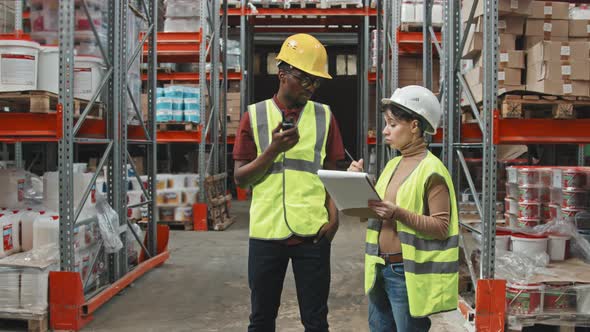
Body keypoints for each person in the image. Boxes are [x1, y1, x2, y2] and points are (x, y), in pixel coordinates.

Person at [233, 33, 345, 332]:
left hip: (314, 233)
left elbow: (331, 171)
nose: (312, 88)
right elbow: (241, 180)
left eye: (316, 82)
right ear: (283, 74)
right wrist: (272, 151)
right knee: (261, 320)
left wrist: (334, 218)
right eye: (306, 80)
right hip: (267, 233)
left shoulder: (324, 116)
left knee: (316, 321)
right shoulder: (254, 116)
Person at [348, 86, 459, 332]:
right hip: (379, 267)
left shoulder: (432, 171)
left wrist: (397, 213)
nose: (386, 130)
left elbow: (441, 227)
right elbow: (373, 213)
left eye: (393, 124)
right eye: (386, 123)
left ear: (415, 126)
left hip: (406, 274)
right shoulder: (393, 164)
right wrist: (355, 185)